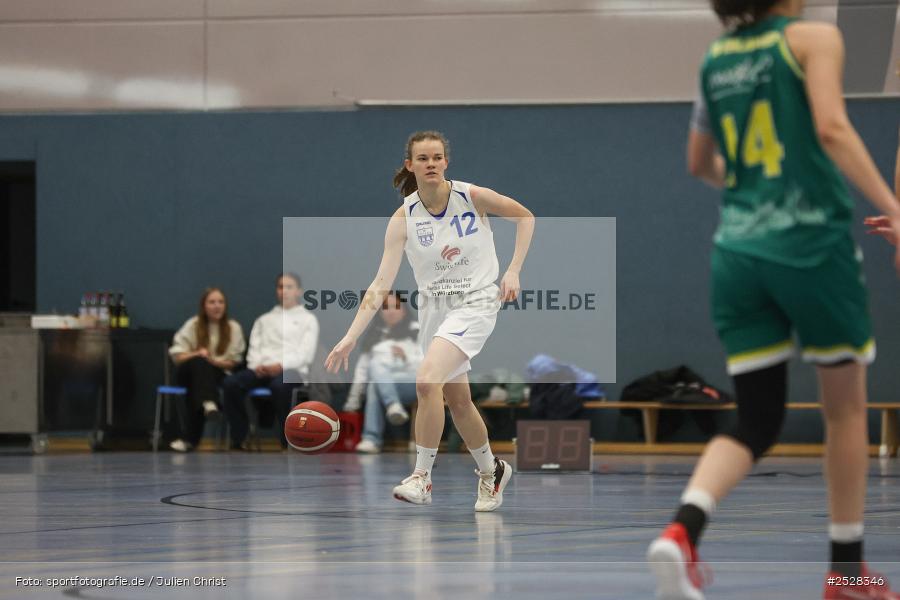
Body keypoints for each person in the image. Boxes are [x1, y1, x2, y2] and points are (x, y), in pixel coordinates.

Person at [646, 2, 900, 599]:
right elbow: (832, 129)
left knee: (758, 418)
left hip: (737, 254)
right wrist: (895, 208)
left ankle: (682, 532)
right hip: (810, 247)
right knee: (845, 409)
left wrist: (756, 187)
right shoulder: (812, 39)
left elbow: (698, 162)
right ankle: (846, 574)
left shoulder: (716, 59)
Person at [326, 130, 535, 511]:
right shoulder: (404, 217)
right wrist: (351, 336)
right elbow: (380, 282)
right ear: (410, 165)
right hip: (434, 309)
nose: (431, 164)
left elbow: (525, 216)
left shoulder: (471, 196)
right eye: (423, 158)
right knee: (459, 402)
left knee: (426, 381)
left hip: (475, 300)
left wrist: (514, 270)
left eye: (437, 157)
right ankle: (492, 471)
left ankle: (421, 477)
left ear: (446, 162)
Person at [222, 273, 319, 450]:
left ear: (299, 291)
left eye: (289, 287)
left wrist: (281, 365)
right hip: (261, 369)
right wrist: (257, 366)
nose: (284, 291)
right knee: (231, 384)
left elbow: (306, 354)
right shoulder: (263, 320)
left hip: (292, 371)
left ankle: (287, 441)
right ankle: (240, 437)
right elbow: (254, 348)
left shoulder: (308, 319)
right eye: (281, 287)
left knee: (279, 386)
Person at [168, 287, 245, 452]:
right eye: (212, 302)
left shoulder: (233, 327)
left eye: (221, 302)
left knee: (199, 386)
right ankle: (210, 402)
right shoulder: (193, 324)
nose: (217, 306)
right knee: (199, 364)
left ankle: (189, 439)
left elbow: (233, 362)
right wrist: (197, 354)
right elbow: (177, 356)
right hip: (188, 371)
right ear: (204, 306)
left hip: (218, 372)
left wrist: (212, 361)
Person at [345, 291, 423, 454]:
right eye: (386, 307)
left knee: (376, 373)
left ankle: (374, 433)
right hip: (387, 385)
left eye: (396, 306)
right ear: (380, 312)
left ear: (404, 310)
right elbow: (362, 371)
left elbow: (428, 363)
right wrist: (353, 401)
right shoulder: (374, 336)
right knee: (374, 383)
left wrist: (405, 357)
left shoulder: (417, 330)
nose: (391, 311)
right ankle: (373, 437)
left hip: (415, 383)